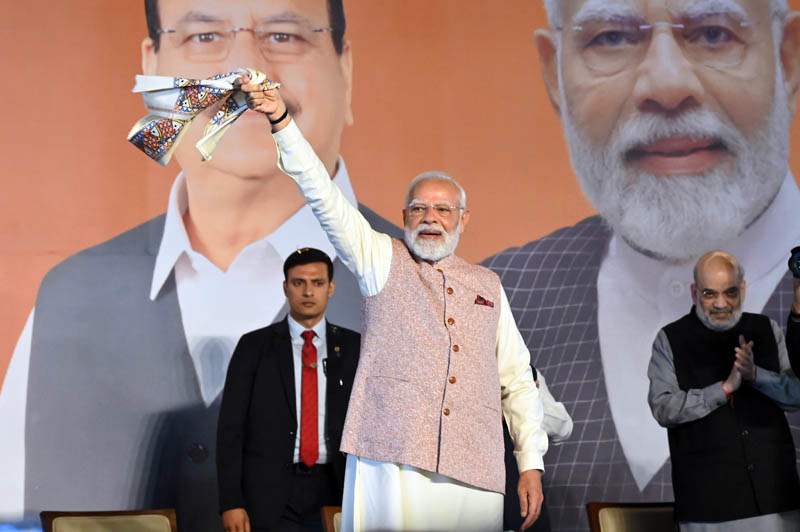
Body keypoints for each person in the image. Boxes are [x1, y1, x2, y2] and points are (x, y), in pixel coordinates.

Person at [0, 0, 400, 528]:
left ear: (345, 70)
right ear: (154, 70)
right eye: (205, 38)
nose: (246, 73)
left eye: (283, 36)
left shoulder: (416, 284)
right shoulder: (69, 296)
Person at [482, 1, 800, 529]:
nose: (667, 84)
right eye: (610, 38)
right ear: (554, 73)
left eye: (714, 32)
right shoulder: (497, 295)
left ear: (788, 57)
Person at [238, 77, 572, 532]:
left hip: (475, 469)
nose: (430, 218)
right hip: (391, 463)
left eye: (443, 210)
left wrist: (530, 462)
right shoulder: (380, 258)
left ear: (463, 220)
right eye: (418, 209)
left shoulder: (488, 285)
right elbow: (322, 194)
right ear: (403, 218)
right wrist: (281, 121)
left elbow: (516, 380)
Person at [648, 250, 800, 530]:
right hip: (708, 507)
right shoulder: (670, 339)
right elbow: (663, 407)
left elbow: (795, 396)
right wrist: (724, 388)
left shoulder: (767, 329)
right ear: (694, 293)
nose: (721, 303)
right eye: (709, 294)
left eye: (730, 292)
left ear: (742, 289)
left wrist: (756, 375)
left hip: (776, 499)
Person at [217, 248, 359, 532]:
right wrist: (231, 502)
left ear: (330, 288)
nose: (308, 291)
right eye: (298, 283)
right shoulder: (254, 347)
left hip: (337, 488)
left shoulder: (355, 348)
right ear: (285, 287)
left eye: (317, 283)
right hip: (270, 494)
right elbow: (230, 431)